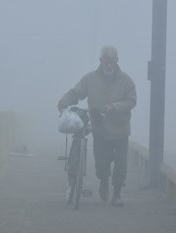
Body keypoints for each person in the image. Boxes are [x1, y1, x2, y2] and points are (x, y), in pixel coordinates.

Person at [58, 46, 137, 207]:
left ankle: (117, 194)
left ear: (117, 61)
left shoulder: (126, 80)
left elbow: (131, 100)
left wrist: (113, 107)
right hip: (100, 130)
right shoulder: (90, 79)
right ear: (101, 61)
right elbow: (76, 93)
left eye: (112, 62)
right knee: (102, 165)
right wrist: (64, 101)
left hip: (121, 130)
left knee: (121, 164)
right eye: (106, 62)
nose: (109, 65)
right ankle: (103, 181)